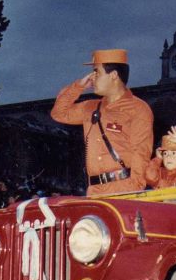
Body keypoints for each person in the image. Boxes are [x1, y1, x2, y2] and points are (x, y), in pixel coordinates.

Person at [51, 49, 154, 196]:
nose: (92, 78)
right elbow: (58, 113)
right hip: (94, 191)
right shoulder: (90, 107)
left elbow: (141, 153)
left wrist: (133, 191)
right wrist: (79, 86)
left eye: (97, 72)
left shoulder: (138, 109)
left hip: (124, 188)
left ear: (113, 75)